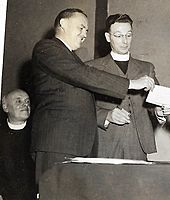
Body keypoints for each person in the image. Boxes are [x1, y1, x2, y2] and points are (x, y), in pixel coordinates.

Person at [31, 8, 155, 181]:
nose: (84, 34)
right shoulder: (47, 48)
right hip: (59, 143)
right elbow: (85, 75)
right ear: (63, 23)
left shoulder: (71, 58)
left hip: (76, 144)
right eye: (80, 28)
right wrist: (132, 84)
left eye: (86, 30)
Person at [86, 14, 166, 160]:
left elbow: (154, 103)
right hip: (105, 142)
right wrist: (107, 115)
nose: (125, 41)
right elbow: (83, 108)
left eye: (128, 35)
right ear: (108, 37)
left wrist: (158, 111)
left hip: (137, 144)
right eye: (118, 36)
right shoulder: (92, 68)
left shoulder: (146, 68)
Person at [0, 89, 36, 199]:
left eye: (27, 101)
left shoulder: (38, 132)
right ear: (5, 107)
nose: (25, 105)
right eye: (18, 101)